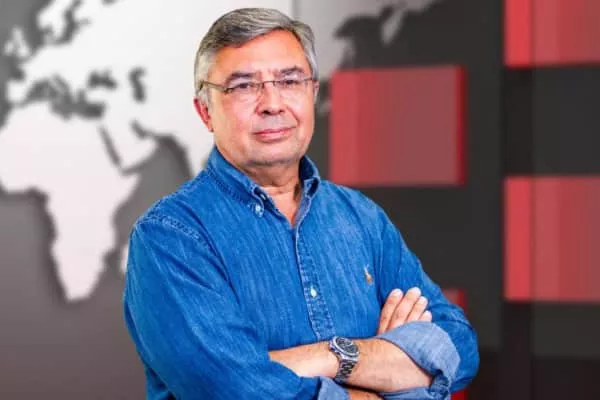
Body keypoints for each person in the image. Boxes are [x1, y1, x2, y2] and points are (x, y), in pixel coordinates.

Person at [123, 7, 479, 400]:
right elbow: (235, 390)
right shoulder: (170, 238)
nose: (272, 104)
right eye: (243, 86)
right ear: (205, 111)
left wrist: (333, 357)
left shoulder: (361, 218)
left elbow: (459, 347)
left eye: (290, 81)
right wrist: (387, 379)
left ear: (313, 93)